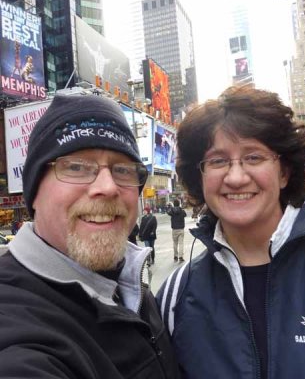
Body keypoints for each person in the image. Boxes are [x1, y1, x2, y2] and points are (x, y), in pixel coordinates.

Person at [157, 86, 305, 379]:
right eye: (217, 161)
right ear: (200, 176)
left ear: (284, 172)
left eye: (254, 157)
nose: (236, 177)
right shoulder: (175, 298)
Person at [0, 94, 179, 379]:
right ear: (33, 193)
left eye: (122, 169)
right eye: (76, 167)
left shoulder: (132, 285)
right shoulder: (16, 327)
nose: (108, 187)